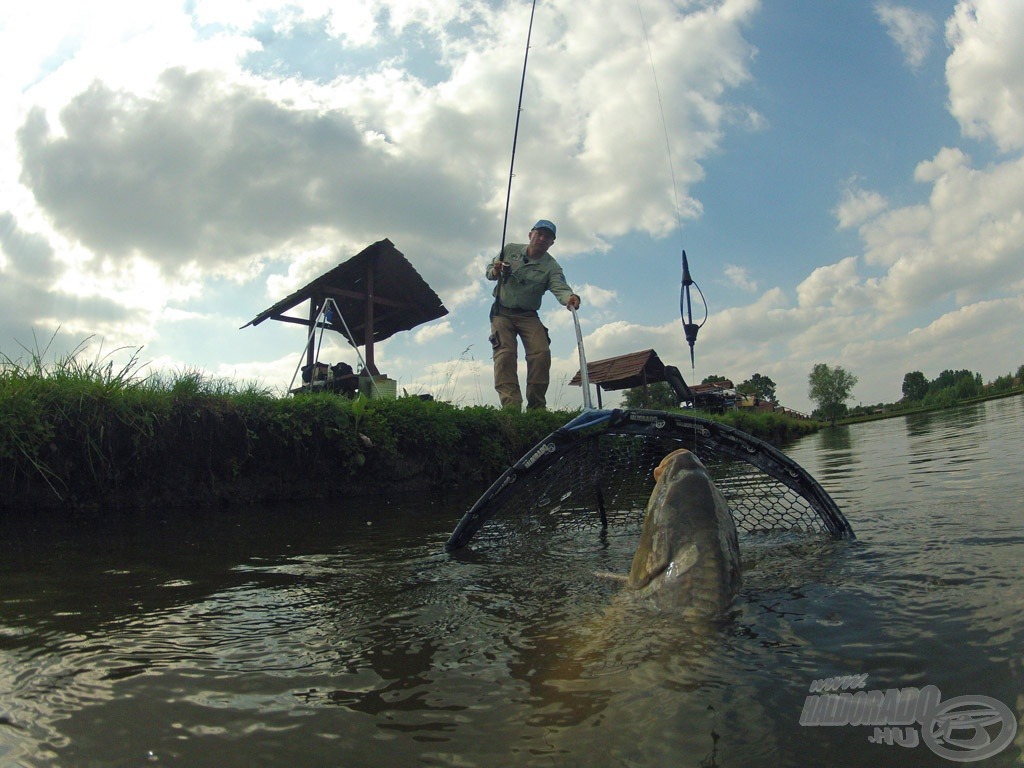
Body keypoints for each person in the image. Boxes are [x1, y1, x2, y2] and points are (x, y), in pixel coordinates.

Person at [486, 219, 581, 410]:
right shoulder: (510, 249)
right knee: (505, 355)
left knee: (541, 354)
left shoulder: (552, 266)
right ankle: (511, 406)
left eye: (548, 237)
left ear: (552, 243)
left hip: (529, 315)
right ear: (531, 235)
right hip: (502, 312)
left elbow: (559, 287)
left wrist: (570, 298)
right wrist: (495, 270)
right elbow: (489, 272)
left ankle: (536, 407)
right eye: (539, 234)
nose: (542, 238)